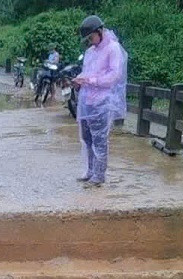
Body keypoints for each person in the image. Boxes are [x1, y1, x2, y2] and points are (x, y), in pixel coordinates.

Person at [72, 15, 127, 187]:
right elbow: (86, 72)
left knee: (100, 140)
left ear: (100, 31)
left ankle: (99, 175)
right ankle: (90, 170)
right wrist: (78, 81)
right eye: (88, 39)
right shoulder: (90, 52)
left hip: (102, 102)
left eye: (91, 37)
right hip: (86, 102)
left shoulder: (113, 49)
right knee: (87, 139)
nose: (90, 41)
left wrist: (90, 81)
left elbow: (114, 76)